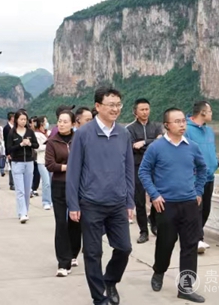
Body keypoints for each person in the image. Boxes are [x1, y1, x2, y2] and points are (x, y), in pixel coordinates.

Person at [67, 87, 134, 305]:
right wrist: (73, 204)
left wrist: (130, 201)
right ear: (98, 106)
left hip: (118, 202)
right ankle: (99, 298)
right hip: (91, 203)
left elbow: (128, 170)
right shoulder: (84, 134)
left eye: (118, 105)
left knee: (124, 248)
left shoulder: (123, 134)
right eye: (111, 105)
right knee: (93, 253)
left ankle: (110, 281)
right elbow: (73, 171)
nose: (115, 109)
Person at [139, 108, 208, 303]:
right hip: (166, 205)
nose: (182, 124)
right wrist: (154, 195)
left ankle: (185, 287)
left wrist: (198, 191)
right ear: (167, 125)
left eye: (183, 121)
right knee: (166, 243)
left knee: (190, 245)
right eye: (177, 121)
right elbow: (144, 171)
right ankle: (159, 271)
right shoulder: (156, 147)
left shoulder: (192, 146)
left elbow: (202, 169)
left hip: (189, 204)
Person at [45, 110, 82, 277]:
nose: (61, 124)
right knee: (61, 222)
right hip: (59, 185)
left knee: (75, 220)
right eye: (59, 121)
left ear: (73, 124)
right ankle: (62, 263)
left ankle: (73, 253)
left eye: (65, 121)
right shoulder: (52, 141)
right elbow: (50, 164)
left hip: (77, 186)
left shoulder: (79, 139)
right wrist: (68, 167)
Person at [126, 98, 162, 244]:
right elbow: (132, 146)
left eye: (147, 109)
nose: (145, 112)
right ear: (135, 111)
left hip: (155, 166)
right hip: (138, 166)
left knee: (157, 195)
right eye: (142, 109)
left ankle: (153, 221)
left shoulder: (156, 126)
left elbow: (160, 142)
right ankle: (143, 231)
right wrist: (152, 142)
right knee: (139, 200)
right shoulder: (130, 129)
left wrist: (144, 142)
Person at [185, 101, 219, 254]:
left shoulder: (209, 131)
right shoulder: (187, 130)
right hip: (195, 178)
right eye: (210, 111)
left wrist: (215, 163)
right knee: (196, 210)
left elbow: (212, 149)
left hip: (209, 177)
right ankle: (197, 239)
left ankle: (196, 236)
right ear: (203, 112)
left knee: (205, 210)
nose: (212, 114)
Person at [6, 110, 39, 223]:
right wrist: (20, 144)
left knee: (27, 189)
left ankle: (24, 211)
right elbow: (9, 149)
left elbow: (36, 145)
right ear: (16, 120)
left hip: (29, 162)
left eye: (25, 119)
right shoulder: (12, 133)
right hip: (17, 162)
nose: (23, 121)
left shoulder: (30, 132)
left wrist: (29, 144)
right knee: (20, 190)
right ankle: (23, 213)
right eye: (21, 119)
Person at [33, 116, 52, 210]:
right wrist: (47, 146)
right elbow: (37, 148)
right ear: (41, 123)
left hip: (51, 160)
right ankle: (46, 201)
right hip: (41, 161)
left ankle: (51, 200)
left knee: (52, 181)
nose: (47, 123)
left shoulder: (49, 133)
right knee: (46, 182)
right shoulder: (36, 134)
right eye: (46, 121)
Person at [2, 112, 15, 191]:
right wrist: (8, 153)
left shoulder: (15, 127)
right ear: (11, 118)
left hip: (16, 149)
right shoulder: (6, 128)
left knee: (15, 167)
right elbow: (6, 141)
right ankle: (12, 183)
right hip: (10, 150)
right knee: (12, 167)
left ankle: (15, 183)